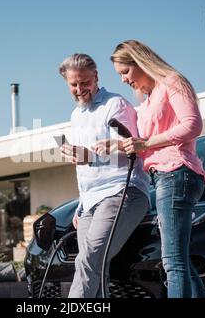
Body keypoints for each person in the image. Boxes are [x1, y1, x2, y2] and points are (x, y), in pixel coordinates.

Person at [97, 40, 205, 298]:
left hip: (177, 172)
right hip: (163, 177)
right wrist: (116, 145)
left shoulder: (173, 81)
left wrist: (146, 142)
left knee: (172, 261)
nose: (124, 80)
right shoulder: (147, 102)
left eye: (125, 72)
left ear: (141, 62)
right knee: (181, 261)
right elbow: (145, 147)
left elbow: (192, 125)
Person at [58, 53, 150, 298]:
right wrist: (80, 205)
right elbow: (83, 166)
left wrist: (89, 155)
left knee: (88, 260)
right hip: (90, 202)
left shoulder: (115, 104)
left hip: (121, 191)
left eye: (85, 82)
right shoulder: (75, 116)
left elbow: (132, 150)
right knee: (96, 266)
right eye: (74, 84)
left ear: (96, 77)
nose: (80, 89)